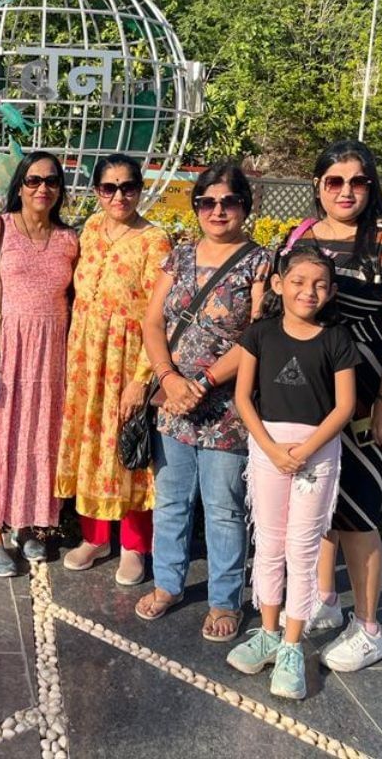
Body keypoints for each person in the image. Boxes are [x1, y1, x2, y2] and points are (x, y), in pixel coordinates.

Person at [289, 140, 382, 671]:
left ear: (372, 185)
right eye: (334, 181)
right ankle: (324, 599)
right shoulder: (301, 236)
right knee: (321, 503)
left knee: (359, 508)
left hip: (365, 399)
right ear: (318, 185)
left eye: (358, 181)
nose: (346, 191)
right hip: (306, 395)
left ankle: (369, 627)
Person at [136, 163, 271, 642]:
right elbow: (153, 324)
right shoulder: (180, 257)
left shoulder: (261, 262)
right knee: (171, 500)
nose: (218, 210)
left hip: (228, 409)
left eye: (228, 201)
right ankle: (168, 583)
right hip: (173, 402)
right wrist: (170, 379)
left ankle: (224, 599)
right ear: (196, 208)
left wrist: (205, 380)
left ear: (244, 207)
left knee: (223, 507)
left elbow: (258, 334)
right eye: (207, 202)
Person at [225, 244, 358, 700]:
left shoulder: (337, 339)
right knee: (269, 543)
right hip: (268, 451)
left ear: (331, 291)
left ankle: (292, 645)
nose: (309, 291)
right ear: (279, 284)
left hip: (315, 455)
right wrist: (271, 449)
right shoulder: (260, 334)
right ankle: (266, 632)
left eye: (320, 284)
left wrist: (305, 450)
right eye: (298, 281)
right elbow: (244, 398)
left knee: (303, 551)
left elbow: (344, 407)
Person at [0, 151, 80, 577]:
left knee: (41, 436)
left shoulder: (69, 239)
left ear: (61, 189)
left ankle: (29, 524)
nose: (42, 188)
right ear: (19, 186)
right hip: (7, 351)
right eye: (33, 180)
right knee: (0, 436)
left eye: (51, 181)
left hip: (53, 355)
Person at [55, 154, 171, 585]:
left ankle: (135, 546)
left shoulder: (154, 240)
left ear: (140, 189)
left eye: (127, 187)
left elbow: (157, 316)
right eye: (108, 187)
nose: (118, 196)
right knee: (91, 445)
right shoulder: (88, 230)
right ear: (96, 191)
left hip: (128, 357)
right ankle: (95, 537)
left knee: (130, 450)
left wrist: (142, 379)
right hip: (86, 357)